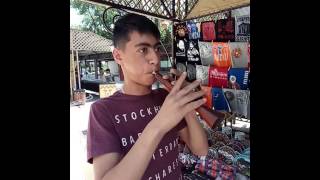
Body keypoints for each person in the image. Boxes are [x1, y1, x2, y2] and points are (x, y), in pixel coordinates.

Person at [87, 13, 211, 180]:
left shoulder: (164, 97)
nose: (155, 58)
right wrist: (158, 124)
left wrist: (185, 100)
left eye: (157, 49)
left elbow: (200, 149)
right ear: (118, 56)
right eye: (143, 50)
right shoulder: (102, 111)